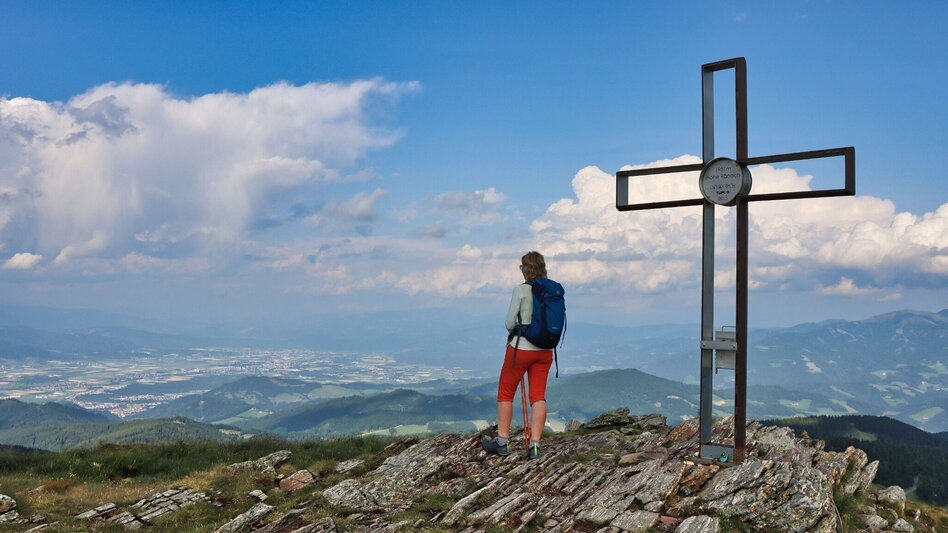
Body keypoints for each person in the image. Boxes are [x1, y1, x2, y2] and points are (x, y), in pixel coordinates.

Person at [480, 251, 554, 459]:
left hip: (520, 349)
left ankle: (502, 443)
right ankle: (535, 446)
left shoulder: (521, 290)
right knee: (538, 396)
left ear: (525, 269)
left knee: (505, 393)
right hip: (546, 351)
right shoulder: (553, 290)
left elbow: (509, 323)